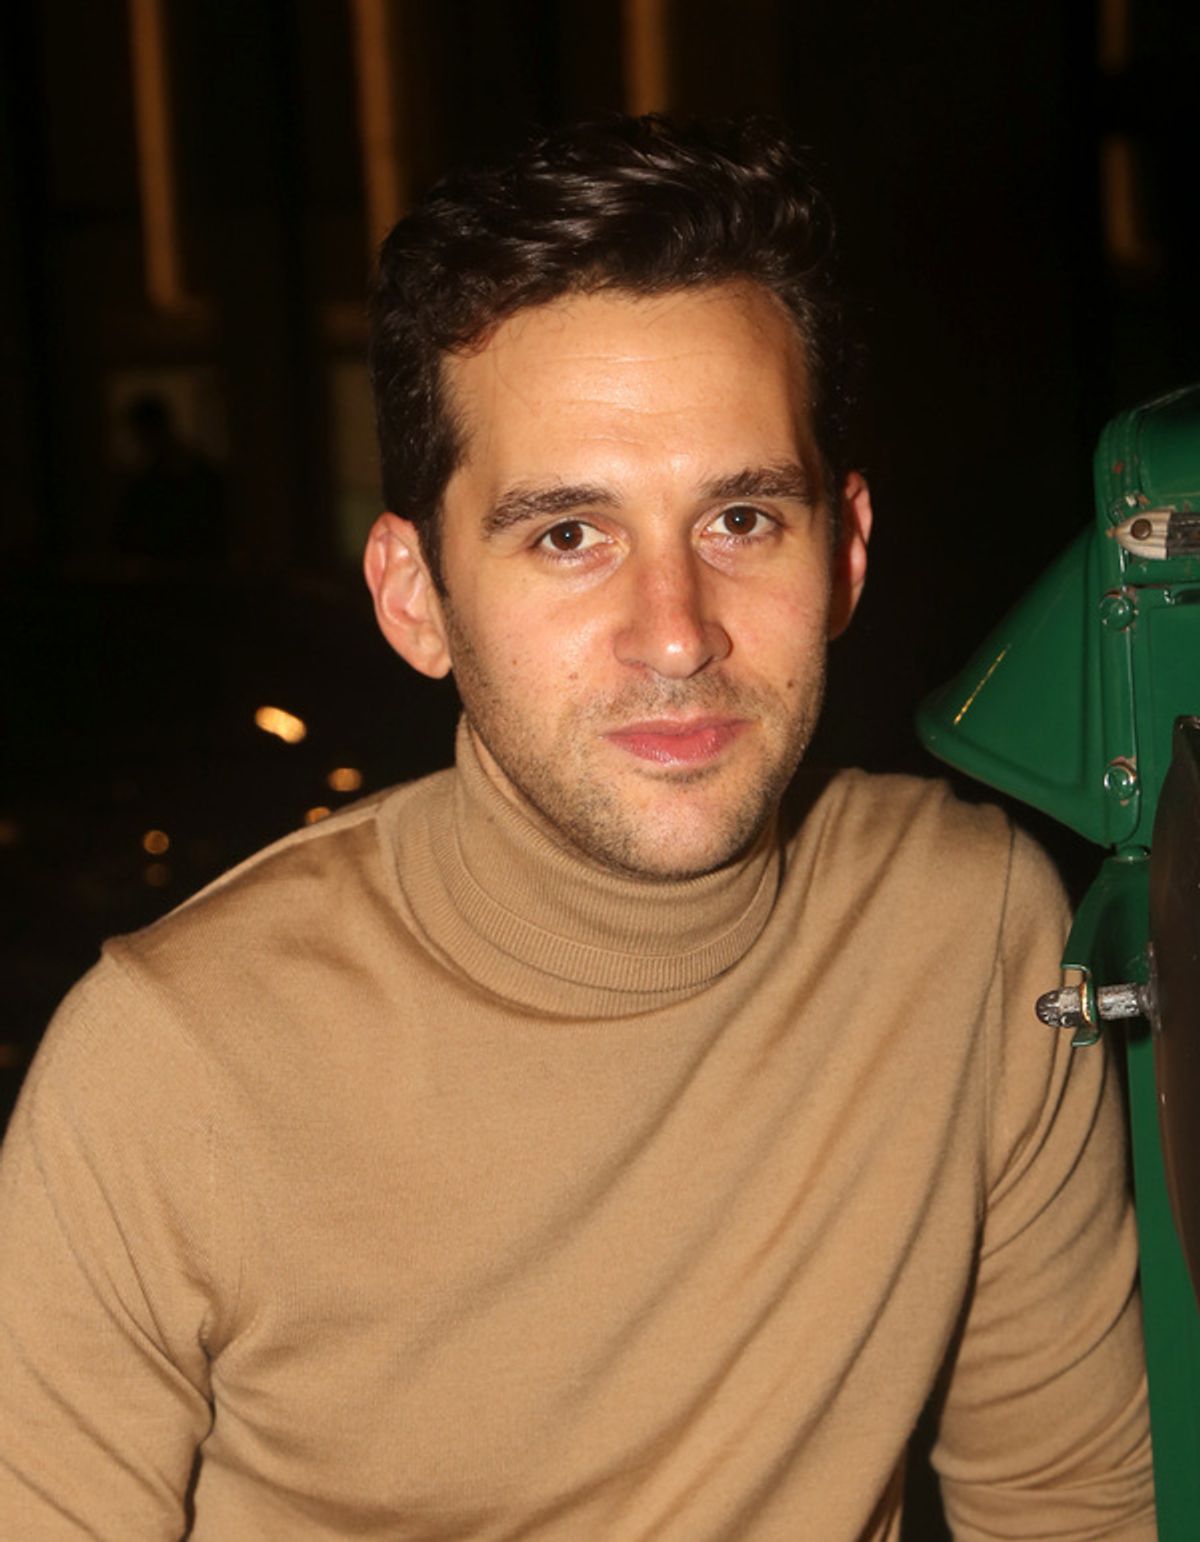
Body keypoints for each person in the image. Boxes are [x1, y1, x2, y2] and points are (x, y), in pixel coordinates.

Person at [0, 116, 1154, 1539]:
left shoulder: (971, 928)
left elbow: (1073, 1508)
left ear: (845, 551)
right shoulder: (168, 1068)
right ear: (414, 596)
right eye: (567, 535)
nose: (675, 635)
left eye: (740, 518)